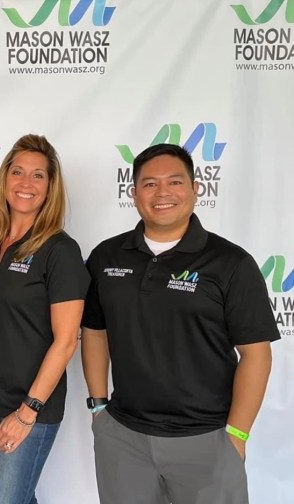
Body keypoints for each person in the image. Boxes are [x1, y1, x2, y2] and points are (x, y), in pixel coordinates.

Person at [80, 143, 279, 504]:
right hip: (123, 437)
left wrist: (236, 436)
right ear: (134, 193)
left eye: (174, 182)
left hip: (206, 440)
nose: (163, 193)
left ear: (195, 189)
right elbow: (94, 330)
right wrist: (98, 406)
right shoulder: (106, 256)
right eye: (150, 184)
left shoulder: (231, 263)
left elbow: (256, 354)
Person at [0, 134, 89, 504]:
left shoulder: (60, 251)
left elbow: (66, 342)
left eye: (38, 175)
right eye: (17, 172)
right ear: (5, 179)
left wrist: (26, 412)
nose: (26, 183)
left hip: (30, 404)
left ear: (51, 186)